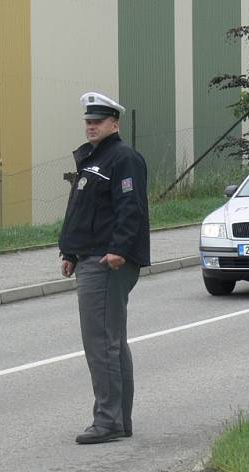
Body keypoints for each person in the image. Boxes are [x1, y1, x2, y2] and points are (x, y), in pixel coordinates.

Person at [59, 92, 150, 444]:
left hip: (107, 262)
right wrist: (70, 251)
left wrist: (119, 250)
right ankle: (119, 420)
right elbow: (83, 213)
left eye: (97, 120)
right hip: (90, 257)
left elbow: (131, 209)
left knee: (102, 343)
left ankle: (108, 420)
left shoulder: (123, 158)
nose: (91, 126)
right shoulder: (95, 159)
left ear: (115, 123)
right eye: (87, 121)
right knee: (111, 341)